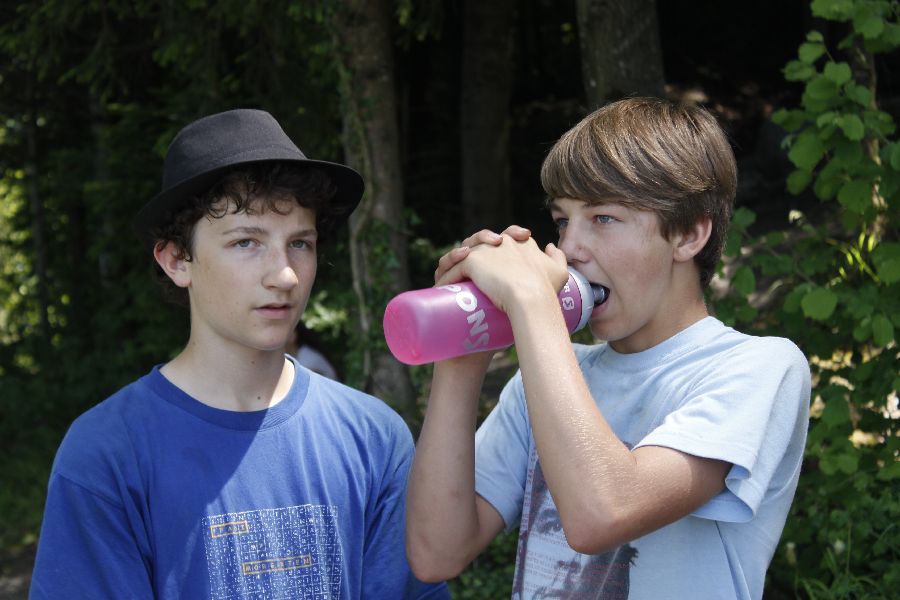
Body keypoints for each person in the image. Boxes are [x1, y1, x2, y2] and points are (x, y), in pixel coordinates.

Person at [29, 109, 448, 599]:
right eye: (246, 241)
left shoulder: (374, 437)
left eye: (300, 243)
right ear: (177, 259)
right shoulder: (106, 454)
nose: (285, 275)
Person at [405, 97, 810, 599]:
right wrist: (462, 361)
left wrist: (532, 303)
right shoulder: (545, 379)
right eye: (562, 221)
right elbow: (435, 554)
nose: (568, 249)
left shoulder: (758, 367)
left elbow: (601, 515)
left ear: (688, 234)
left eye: (602, 218)